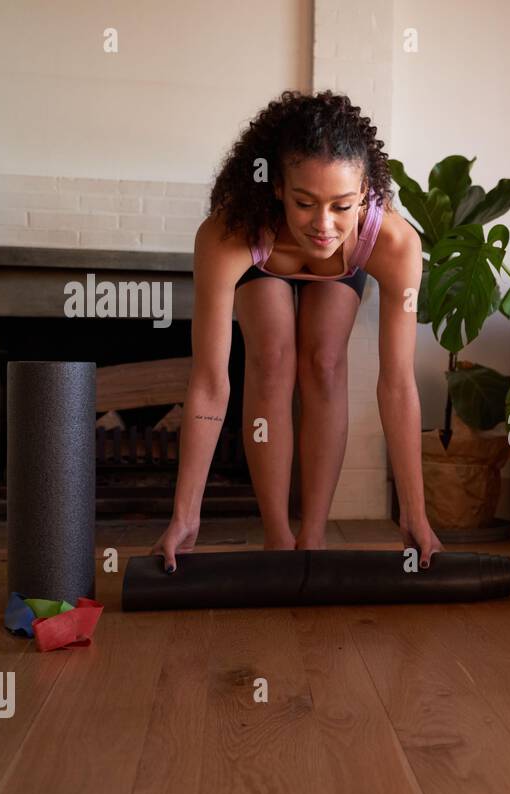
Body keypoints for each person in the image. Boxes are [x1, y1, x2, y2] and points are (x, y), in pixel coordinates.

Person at [151, 90, 443, 573]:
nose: (323, 225)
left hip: (344, 270)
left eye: (342, 205)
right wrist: (185, 513)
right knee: (272, 359)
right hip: (266, 254)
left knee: (325, 364)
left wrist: (414, 513)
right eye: (306, 202)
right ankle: (278, 537)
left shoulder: (393, 243)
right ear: (278, 187)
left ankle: (312, 536)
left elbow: (397, 384)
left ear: (366, 192)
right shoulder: (228, 234)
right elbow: (209, 382)